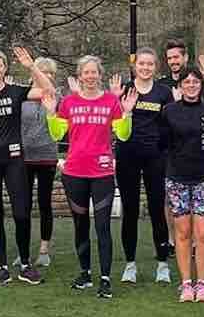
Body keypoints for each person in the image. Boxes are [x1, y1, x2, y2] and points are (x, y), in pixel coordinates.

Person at [46, 57, 136, 299]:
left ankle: (105, 278)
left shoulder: (110, 101)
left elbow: (123, 136)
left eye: (94, 72)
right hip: (74, 173)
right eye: (86, 72)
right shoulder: (69, 102)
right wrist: (49, 113)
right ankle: (85, 273)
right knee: (80, 225)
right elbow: (57, 134)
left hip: (102, 173)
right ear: (79, 75)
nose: (90, 76)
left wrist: (126, 114)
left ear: (100, 75)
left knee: (103, 226)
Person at [0, 46, 56, 286]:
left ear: (5, 69)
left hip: (15, 160)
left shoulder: (16, 92)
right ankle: (2, 266)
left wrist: (31, 66)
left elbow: (48, 90)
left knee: (21, 212)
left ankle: (25, 264)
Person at [160, 66, 204, 303]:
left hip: (203, 178)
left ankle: (202, 284)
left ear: (201, 86)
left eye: (195, 82)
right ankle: (185, 284)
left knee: (201, 233)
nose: (191, 85)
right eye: (187, 82)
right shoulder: (169, 110)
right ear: (180, 86)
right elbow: (162, 143)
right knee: (182, 233)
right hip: (177, 178)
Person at [114, 48, 175, 285]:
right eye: (142, 64)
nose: (146, 67)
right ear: (135, 65)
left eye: (150, 64)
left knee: (157, 209)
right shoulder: (125, 89)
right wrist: (115, 99)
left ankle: (162, 265)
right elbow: (115, 122)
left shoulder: (163, 92)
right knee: (129, 211)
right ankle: (130, 265)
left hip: (155, 159)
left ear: (155, 67)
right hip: (127, 156)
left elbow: (170, 124)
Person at [21, 56, 60, 268]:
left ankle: (44, 249)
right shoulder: (22, 96)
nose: (48, 76)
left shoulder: (55, 95)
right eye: (43, 72)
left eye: (51, 73)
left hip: (47, 155)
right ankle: (23, 250)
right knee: (23, 205)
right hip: (24, 157)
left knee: (44, 204)